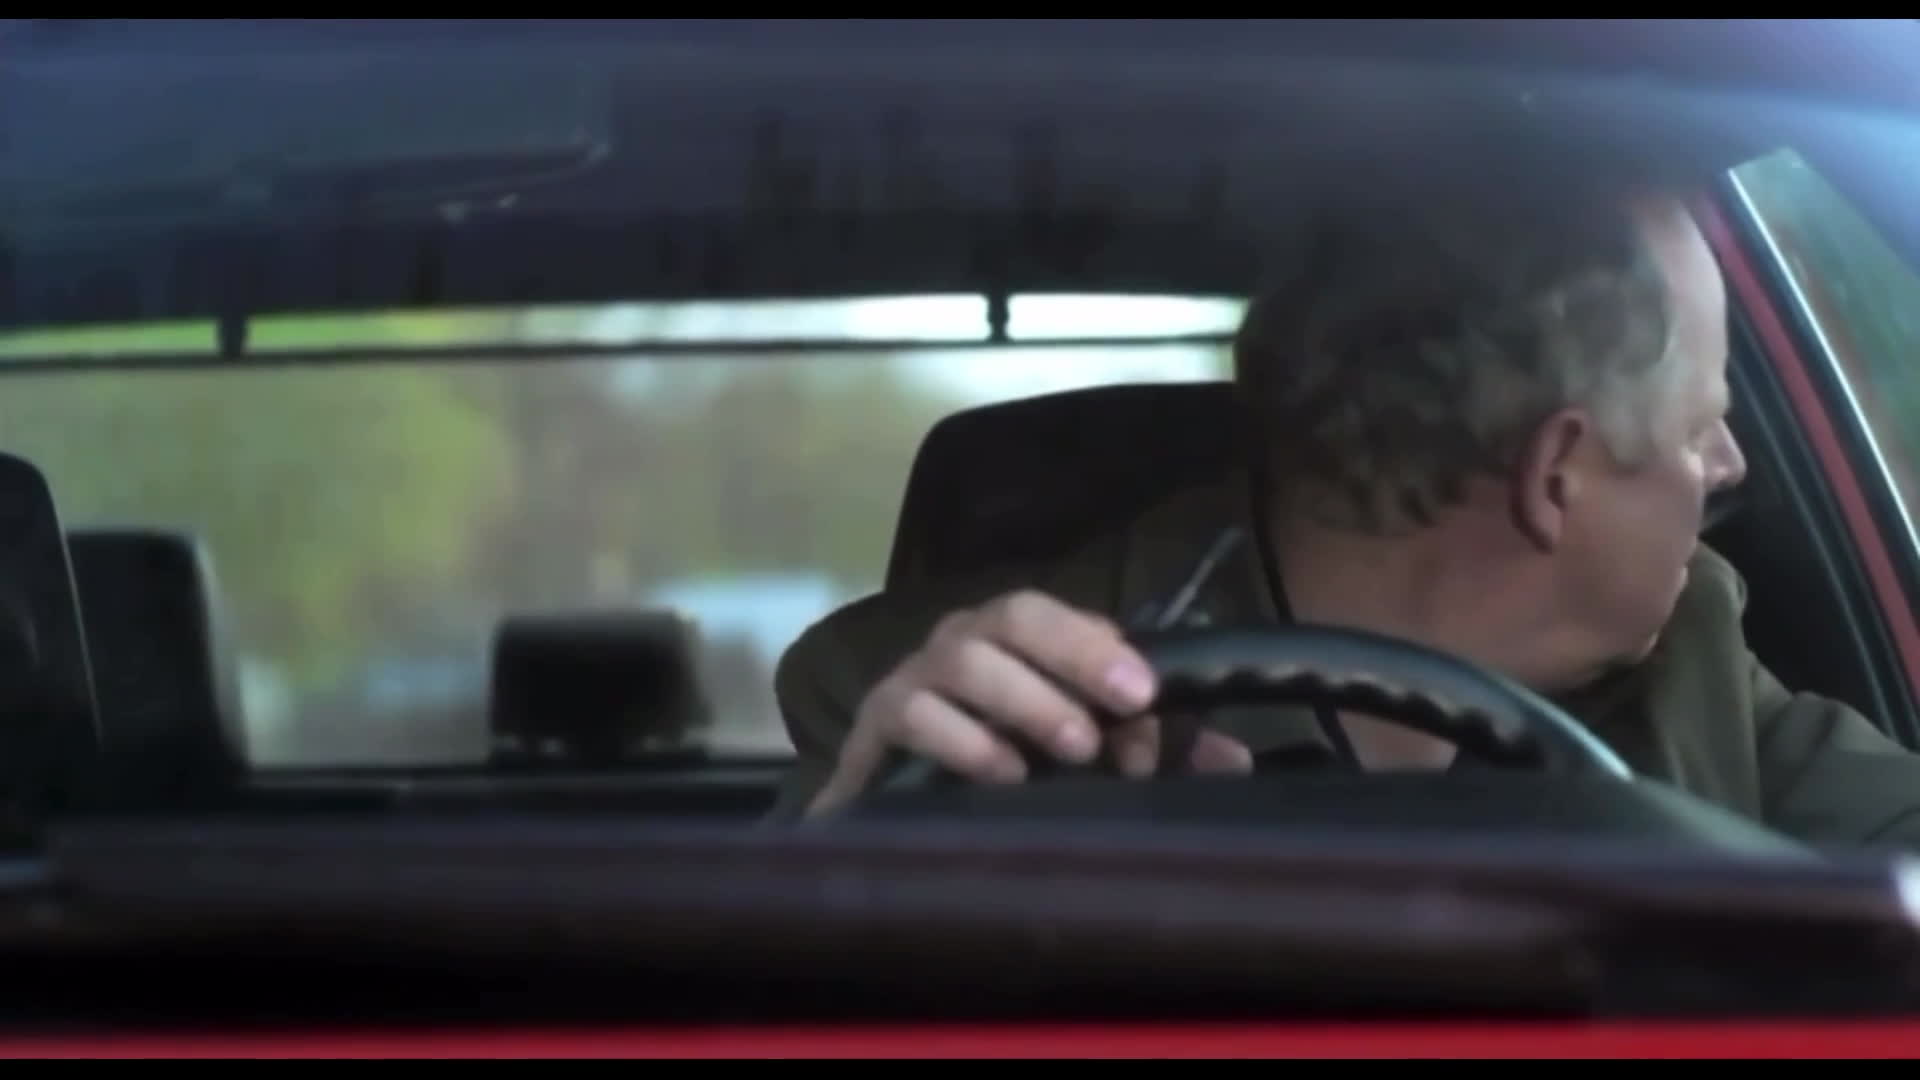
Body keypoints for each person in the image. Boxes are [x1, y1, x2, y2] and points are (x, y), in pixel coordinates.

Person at [768, 176, 1920, 850]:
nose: (1727, 465)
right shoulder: (944, 704)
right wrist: (867, 862)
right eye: (1702, 424)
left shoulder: (1697, 655)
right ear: (1556, 473)